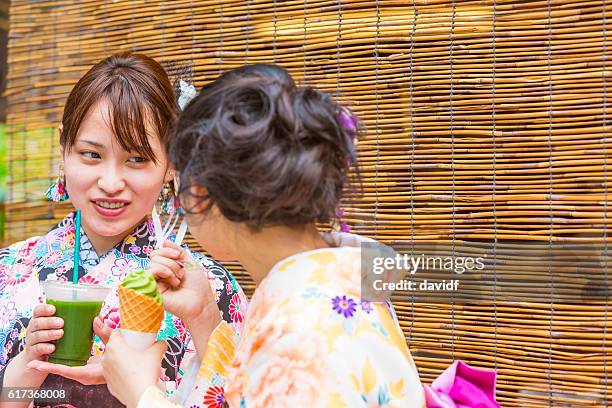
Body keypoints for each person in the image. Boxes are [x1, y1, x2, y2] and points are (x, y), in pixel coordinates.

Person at [101, 63, 425, 407]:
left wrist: (141, 394)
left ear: (199, 194)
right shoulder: (346, 284)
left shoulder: (296, 331)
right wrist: (204, 318)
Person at [0, 53, 247, 408]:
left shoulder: (208, 289)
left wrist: (138, 384)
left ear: (171, 163)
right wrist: (24, 374)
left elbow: (245, 398)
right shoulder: (8, 270)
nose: (111, 182)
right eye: (91, 155)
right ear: (63, 148)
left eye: (136, 159)